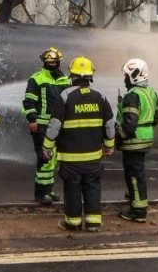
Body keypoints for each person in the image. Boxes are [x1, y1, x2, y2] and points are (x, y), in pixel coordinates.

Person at [43, 57, 115, 232]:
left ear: (72, 75)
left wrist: (47, 147)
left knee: (72, 190)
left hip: (71, 158)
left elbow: (55, 124)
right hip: (93, 157)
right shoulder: (101, 97)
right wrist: (109, 147)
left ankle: (73, 224)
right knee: (92, 189)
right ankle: (93, 224)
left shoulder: (65, 97)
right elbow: (110, 124)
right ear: (90, 76)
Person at [22, 47, 70, 204]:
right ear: (44, 62)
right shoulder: (36, 79)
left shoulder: (65, 80)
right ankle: (41, 194)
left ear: (58, 63)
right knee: (45, 158)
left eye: (53, 62)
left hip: (59, 126)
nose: (51, 64)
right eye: (48, 62)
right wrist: (32, 120)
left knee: (53, 159)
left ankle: (48, 190)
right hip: (41, 126)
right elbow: (28, 101)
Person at [116, 58, 158, 223]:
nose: (124, 79)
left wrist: (117, 137)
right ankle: (134, 195)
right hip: (146, 137)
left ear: (134, 76)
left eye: (126, 75)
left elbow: (129, 124)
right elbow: (156, 118)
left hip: (134, 141)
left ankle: (138, 211)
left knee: (134, 174)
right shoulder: (151, 92)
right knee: (137, 172)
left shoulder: (132, 96)